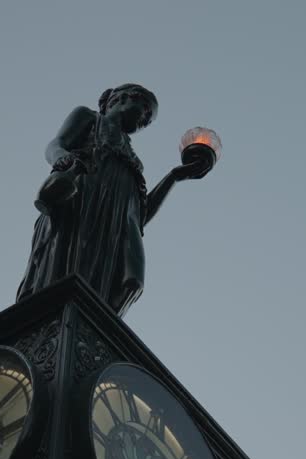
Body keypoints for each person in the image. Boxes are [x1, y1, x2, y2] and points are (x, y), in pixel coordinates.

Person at [16, 83, 211, 316]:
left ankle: (96, 332)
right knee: (69, 272)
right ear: (122, 98)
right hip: (82, 199)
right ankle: (56, 325)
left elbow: (140, 217)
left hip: (118, 226)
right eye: (146, 111)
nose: (145, 120)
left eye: (149, 119)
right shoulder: (89, 117)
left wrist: (174, 176)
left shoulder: (132, 159)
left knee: (132, 282)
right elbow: (55, 145)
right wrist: (63, 159)